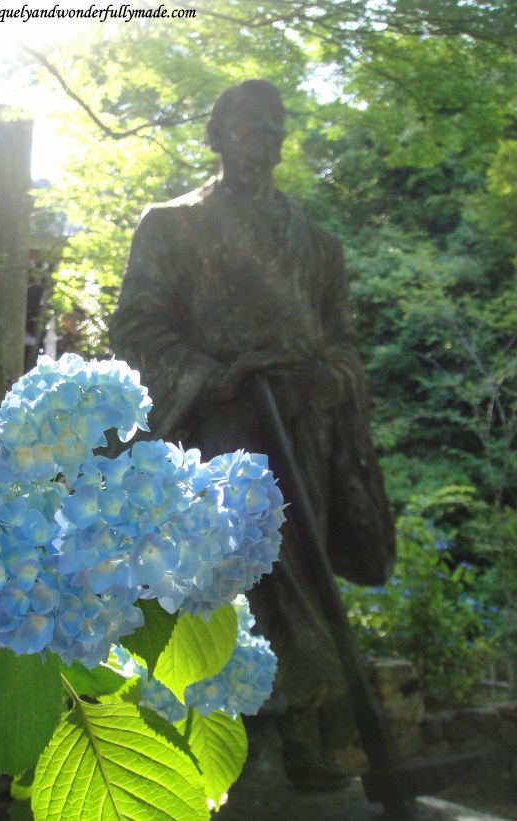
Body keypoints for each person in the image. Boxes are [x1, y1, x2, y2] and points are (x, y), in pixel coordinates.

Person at [110, 79, 395, 793]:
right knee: (232, 581)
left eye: (273, 128)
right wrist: (213, 374)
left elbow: (344, 343)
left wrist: (331, 377)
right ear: (216, 136)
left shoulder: (319, 245)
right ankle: (240, 736)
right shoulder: (172, 226)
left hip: (305, 433)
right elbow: (138, 327)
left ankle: (301, 732)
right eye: (245, 127)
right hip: (221, 428)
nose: (260, 141)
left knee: (304, 584)